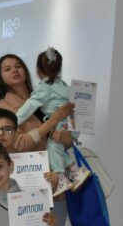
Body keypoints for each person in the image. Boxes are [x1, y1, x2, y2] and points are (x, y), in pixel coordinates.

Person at [14, 47, 89, 193]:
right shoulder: (64, 85)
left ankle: (60, 178)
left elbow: (29, 106)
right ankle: (75, 171)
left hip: (60, 125)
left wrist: (14, 120)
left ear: (38, 70)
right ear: (59, 69)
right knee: (56, 149)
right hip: (72, 125)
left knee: (53, 148)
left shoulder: (44, 87)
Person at [0, 54, 75, 154]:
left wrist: (68, 140)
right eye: (8, 69)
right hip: (31, 162)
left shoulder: (45, 94)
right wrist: (52, 120)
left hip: (58, 158)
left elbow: (67, 139)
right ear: (0, 78)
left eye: (18, 66)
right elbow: (18, 144)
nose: (14, 70)